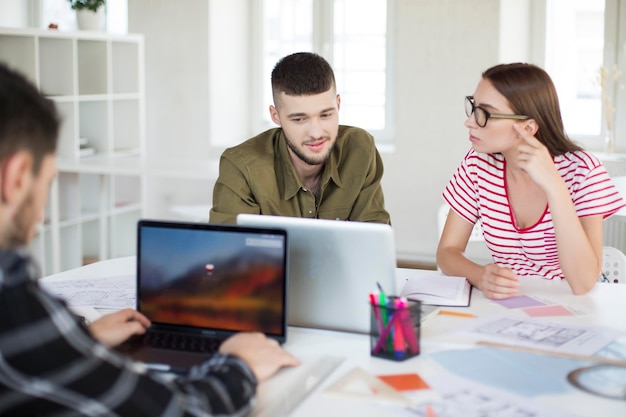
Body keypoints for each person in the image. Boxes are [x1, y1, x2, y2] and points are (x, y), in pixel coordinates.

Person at [0, 63, 299, 416]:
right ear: (17, 177)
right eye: (48, 181)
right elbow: (175, 411)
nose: (40, 213)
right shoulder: (17, 310)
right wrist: (240, 365)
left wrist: (80, 343)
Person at [437, 62, 625, 300]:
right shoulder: (477, 164)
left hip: (578, 305)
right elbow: (447, 252)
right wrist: (480, 275)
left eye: (484, 113)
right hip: (512, 304)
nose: (470, 121)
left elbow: (583, 283)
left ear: (527, 127)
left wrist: (555, 187)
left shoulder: (582, 171)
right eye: (473, 107)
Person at [209, 52, 390, 224]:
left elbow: (374, 241)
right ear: (275, 116)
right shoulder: (241, 167)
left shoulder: (360, 149)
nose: (316, 133)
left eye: (325, 115)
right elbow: (230, 254)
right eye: (299, 119)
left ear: (338, 104)